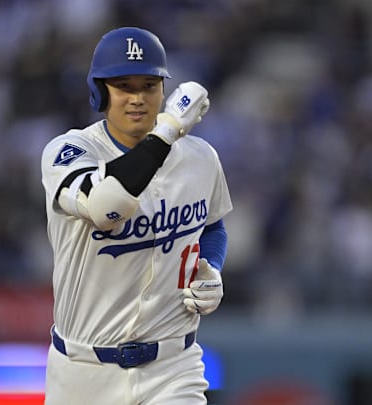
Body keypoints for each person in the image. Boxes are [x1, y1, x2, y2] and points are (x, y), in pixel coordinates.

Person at [40, 26, 233, 404]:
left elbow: (213, 225)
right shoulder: (69, 151)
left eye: (149, 85)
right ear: (99, 92)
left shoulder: (200, 158)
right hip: (83, 373)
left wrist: (211, 267)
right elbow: (106, 208)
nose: (137, 98)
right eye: (123, 86)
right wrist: (167, 132)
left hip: (173, 367)